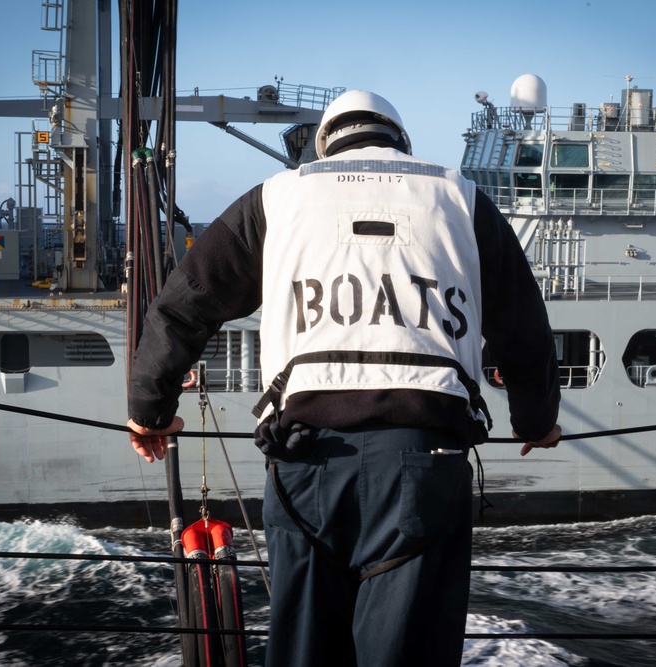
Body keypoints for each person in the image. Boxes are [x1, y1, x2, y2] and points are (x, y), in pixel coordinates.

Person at [126, 90, 561, 667]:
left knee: (305, 651)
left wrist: (150, 409)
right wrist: (536, 419)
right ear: (401, 142)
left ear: (323, 145)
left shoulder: (277, 198)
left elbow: (186, 302)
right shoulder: (459, 198)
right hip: (424, 462)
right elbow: (524, 324)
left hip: (304, 461)